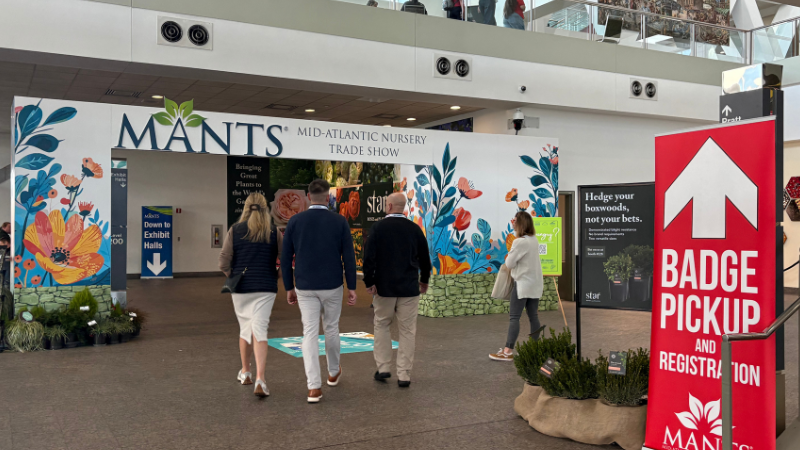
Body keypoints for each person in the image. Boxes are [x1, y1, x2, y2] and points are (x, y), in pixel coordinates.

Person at [282, 179, 358, 404]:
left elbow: (286, 259)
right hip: (333, 284)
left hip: (305, 285)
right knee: (332, 328)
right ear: (328, 198)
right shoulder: (339, 221)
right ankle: (333, 372)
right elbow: (349, 257)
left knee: (309, 333)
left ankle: (313, 387)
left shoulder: (295, 221)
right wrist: (352, 286)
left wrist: (288, 287)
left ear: (307, 196)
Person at [363, 193, 431, 387]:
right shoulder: (414, 229)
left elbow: (369, 258)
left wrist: (369, 281)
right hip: (409, 286)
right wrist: (424, 280)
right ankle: (404, 374)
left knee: (382, 324)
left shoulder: (377, 228)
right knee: (408, 330)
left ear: (390, 206)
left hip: (384, 287)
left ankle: (383, 367)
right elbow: (424, 257)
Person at [219, 193, 280, 397]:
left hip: (241, 288)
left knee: (245, 328)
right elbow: (283, 258)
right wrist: (276, 274)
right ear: (266, 209)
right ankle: (261, 379)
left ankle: (246, 372)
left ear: (246, 208)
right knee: (260, 331)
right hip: (266, 287)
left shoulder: (235, 230)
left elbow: (223, 261)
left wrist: (232, 275)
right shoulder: (273, 232)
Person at [489, 211, 543, 361]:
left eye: (514, 220)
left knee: (514, 317)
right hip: (535, 284)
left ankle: (507, 351)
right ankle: (535, 348)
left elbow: (509, 263)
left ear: (520, 224)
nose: (512, 222)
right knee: (533, 316)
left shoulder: (519, 242)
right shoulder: (533, 240)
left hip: (522, 284)